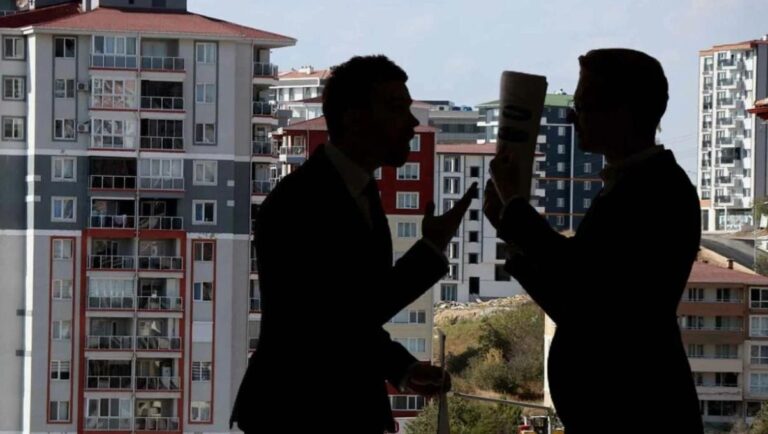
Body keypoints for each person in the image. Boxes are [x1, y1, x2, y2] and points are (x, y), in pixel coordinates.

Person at [231, 55, 477, 433]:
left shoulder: (355, 192)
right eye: (396, 108)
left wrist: (403, 368)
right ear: (354, 117)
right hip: (301, 412)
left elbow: (344, 323)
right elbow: (342, 317)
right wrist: (431, 248)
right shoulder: (301, 203)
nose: (412, 123)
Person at [484, 49, 703, 433]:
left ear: (622, 112)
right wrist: (510, 226)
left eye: (582, 107)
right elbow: (584, 306)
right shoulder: (641, 184)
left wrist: (515, 209)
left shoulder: (654, 192)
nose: (572, 118)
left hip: (635, 412)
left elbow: (581, 278)